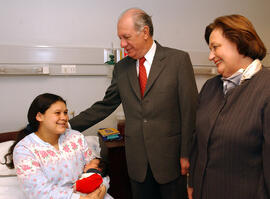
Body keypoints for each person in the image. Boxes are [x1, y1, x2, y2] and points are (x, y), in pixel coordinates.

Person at [69, 8, 198, 199]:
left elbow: (190, 110)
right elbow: (105, 105)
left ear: (145, 32)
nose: (122, 44)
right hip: (138, 162)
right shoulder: (122, 68)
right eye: (120, 38)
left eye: (126, 37)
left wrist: (187, 154)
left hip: (171, 161)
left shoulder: (177, 60)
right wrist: (68, 125)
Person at [188, 14, 269, 199]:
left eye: (215, 47)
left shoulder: (266, 89)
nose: (210, 56)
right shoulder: (210, 87)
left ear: (240, 42)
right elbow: (197, 143)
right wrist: (192, 184)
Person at [3, 93, 106, 199]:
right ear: (39, 116)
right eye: (57, 113)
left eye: (65, 113)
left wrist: (102, 189)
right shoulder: (25, 150)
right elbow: (38, 191)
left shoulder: (76, 137)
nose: (64, 117)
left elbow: (97, 169)